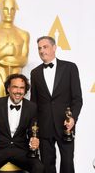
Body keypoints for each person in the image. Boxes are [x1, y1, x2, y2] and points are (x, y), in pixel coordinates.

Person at [30, 36, 83, 173]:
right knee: (47, 165)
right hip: (44, 126)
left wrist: (73, 118)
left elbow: (77, 98)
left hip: (65, 125)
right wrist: (34, 129)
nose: (42, 51)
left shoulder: (70, 67)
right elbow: (34, 103)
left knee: (67, 163)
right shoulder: (35, 73)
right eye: (39, 48)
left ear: (54, 48)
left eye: (45, 47)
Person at [0, 73, 44, 173]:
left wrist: (35, 139)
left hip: (21, 149)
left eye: (22, 88)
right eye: (15, 87)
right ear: (8, 89)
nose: (18, 91)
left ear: (25, 90)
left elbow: (32, 130)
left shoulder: (31, 107)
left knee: (39, 167)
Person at [0, 0, 29, 98]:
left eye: (12, 9)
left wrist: (2, 59)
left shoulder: (23, 34)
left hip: (17, 76)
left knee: (18, 109)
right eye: (5, 9)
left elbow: (24, 60)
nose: (9, 12)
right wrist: (5, 51)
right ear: (0, 10)